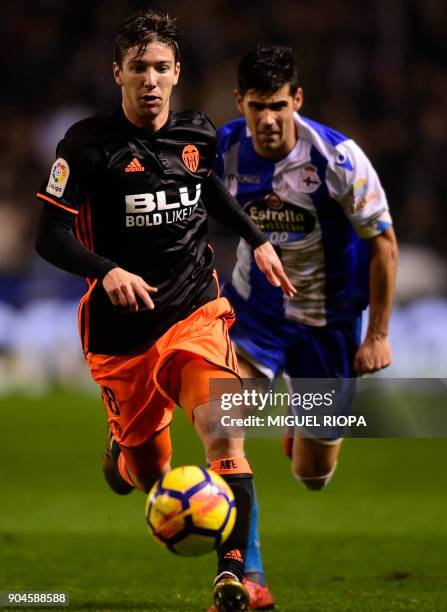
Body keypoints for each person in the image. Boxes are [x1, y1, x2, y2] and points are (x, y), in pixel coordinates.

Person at [35, 14, 295, 612]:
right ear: (117, 73)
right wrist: (107, 269)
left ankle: (234, 579)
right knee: (146, 472)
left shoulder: (197, 133)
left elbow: (210, 192)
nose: (150, 80)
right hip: (121, 334)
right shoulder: (86, 145)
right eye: (138, 69)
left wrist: (256, 237)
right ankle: (122, 456)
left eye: (160, 68)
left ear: (176, 73)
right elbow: (48, 235)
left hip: (194, 314)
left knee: (225, 433)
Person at [214, 43, 398, 608]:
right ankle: (249, 575)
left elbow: (384, 248)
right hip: (255, 317)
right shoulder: (223, 148)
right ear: (239, 101)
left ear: (297, 99)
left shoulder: (337, 158)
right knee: (222, 426)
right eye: (255, 106)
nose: (267, 120)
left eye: (277, 105)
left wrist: (378, 336)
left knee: (313, 475)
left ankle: (302, 431)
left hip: (328, 325)